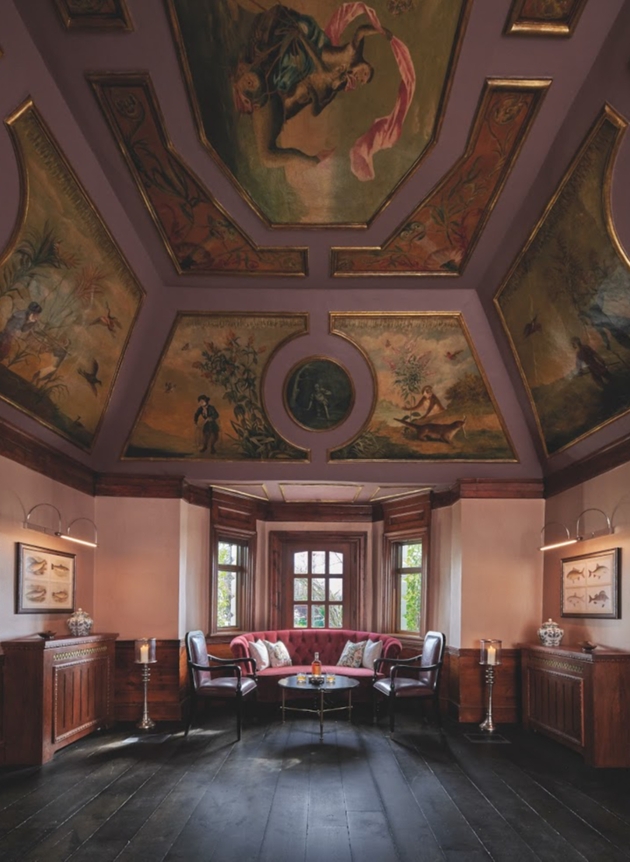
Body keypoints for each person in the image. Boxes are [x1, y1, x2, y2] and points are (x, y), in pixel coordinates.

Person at [233, 4, 389, 169]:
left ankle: (310, 159)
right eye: (365, 74)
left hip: (294, 82)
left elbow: (317, 108)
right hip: (304, 57)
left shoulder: (336, 83)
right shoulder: (353, 52)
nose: (361, 78)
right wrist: (381, 30)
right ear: (366, 65)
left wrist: (313, 94)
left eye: (362, 81)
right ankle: (310, 160)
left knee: (267, 153)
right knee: (266, 154)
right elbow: (361, 31)